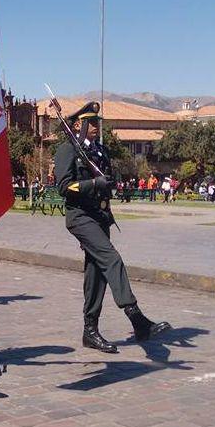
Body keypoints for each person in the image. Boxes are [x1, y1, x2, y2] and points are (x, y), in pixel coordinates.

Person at [54, 101, 170, 354]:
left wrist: (108, 184)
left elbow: (105, 180)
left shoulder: (99, 152)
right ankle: (136, 316)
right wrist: (95, 184)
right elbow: (64, 187)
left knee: (96, 273)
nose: (96, 126)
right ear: (77, 126)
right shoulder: (67, 150)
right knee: (112, 259)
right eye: (91, 122)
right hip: (80, 217)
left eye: (96, 122)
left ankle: (90, 330)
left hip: (99, 216)